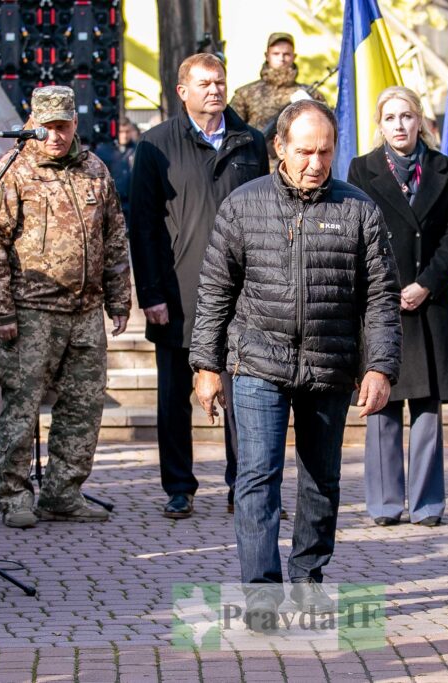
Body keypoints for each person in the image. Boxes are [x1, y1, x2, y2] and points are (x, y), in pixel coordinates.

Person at [189, 99, 402, 630]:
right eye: (304, 151)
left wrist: (380, 366)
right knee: (257, 478)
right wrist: (206, 365)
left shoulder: (358, 210)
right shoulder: (242, 206)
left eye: (325, 151)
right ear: (279, 148)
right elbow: (215, 290)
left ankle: (308, 579)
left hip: (330, 363)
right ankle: (261, 594)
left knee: (321, 480)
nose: (315, 162)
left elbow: (380, 297)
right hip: (258, 361)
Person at [0, 85, 132, 528]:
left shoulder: (95, 170)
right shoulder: (9, 170)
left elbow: (115, 238)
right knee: (22, 407)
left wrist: (119, 299)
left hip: (86, 311)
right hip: (30, 312)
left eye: (63, 126)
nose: (56, 136)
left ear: (75, 124)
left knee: (83, 406)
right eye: (47, 127)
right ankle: (14, 495)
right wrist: (1, 311)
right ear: (31, 124)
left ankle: (63, 491)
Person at [129, 53, 269, 519]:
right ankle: (179, 487)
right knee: (173, 398)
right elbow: (143, 226)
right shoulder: (155, 146)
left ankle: (243, 487)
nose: (215, 89)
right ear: (182, 90)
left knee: (244, 396)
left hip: (243, 296)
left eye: (220, 81)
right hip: (179, 294)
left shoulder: (251, 143)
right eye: (204, 83)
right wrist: (150, 293)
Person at [346, 86, 448, 527]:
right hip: (382, 302)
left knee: (428, 409)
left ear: (420, 121)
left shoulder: (445, 169)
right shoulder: (362, 170)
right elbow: (356, 233)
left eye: (407, 116)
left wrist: (427, 284)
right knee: (382, 403)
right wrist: (388, 286)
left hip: (429, 303)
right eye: (390, 118)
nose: (399, 125)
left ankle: (428, 504)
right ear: (380, 125)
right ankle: (384, 503)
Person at [229, 32, 326, 165]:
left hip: (299, 167)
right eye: (276, 54)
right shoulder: (246, 93)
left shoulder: (310, 95)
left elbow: (325, 131)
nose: (282, 58)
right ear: (267, 56)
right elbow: (231, 130)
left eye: (286, 54)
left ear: (294, 57)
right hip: (256, 165)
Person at [94, 116, 138, 224]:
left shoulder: (137, 149)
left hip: (133, 202)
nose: (124, 135)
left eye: (127, 131)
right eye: (121, 131)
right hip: (112, 202)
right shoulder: (104, 150)